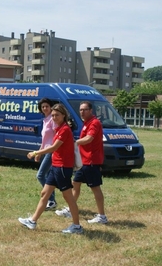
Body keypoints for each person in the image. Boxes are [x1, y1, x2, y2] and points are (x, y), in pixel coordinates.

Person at [18, 104, 83, 234]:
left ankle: (77, 226)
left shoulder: (64, 130)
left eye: (57, 115)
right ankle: (32, 221)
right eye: (52, 115)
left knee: (68, 198)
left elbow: (53, 148)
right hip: (56, 166)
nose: (54, 117)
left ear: (63, 115)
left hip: (63, 168)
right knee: (44, 194)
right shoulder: (58, 129)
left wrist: (36, 153)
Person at [55, 101, 108, 224]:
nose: (82, 112)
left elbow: (89, 138)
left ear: (91, 111)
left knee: (95, 188)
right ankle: (70, 209)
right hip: (83, 161)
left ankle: (102, 216)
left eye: (84, 110)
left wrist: (76, 142)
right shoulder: (86, 123)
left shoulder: (94, 123)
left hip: (91, 160)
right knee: (75, 183)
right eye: (80, 110)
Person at [35, 98, 57, 210]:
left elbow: (56, 136)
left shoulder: (53, 120)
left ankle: (51, 200)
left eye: (47, 106)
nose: (45, 108)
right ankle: (52, 200)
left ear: (51, 107)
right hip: (46, 150)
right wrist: (39, 152)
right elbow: (44, 140)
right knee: (48, 176)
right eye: (42, 107)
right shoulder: (45, 120)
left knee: (40, 175)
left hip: (52, 151)